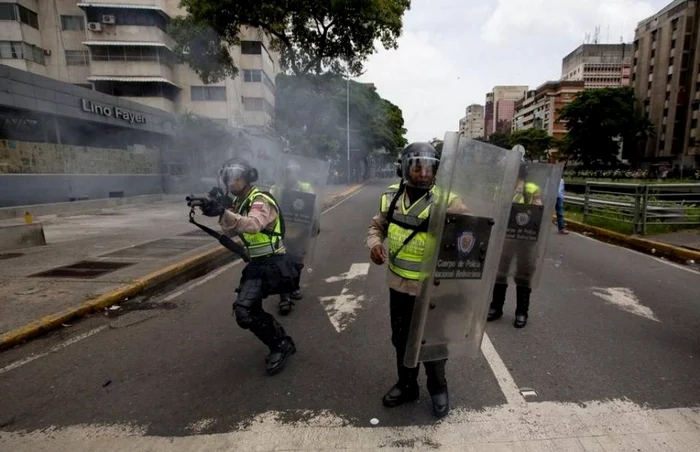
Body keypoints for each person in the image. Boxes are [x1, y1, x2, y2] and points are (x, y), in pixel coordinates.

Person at [366, 142, 468, 419]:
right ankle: (407, 385)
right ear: (404, 168)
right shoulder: (391, 199)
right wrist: (374, 245)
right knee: (401, 339)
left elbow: (467, 240)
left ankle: (438, 387)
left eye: (429, 167)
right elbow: (377, 227)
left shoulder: (449, 200)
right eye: (417, 166)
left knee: (433, 340)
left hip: (434, 288)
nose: (423, 173)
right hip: (398, 284)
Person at [199, 159, 297, 375]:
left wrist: (224, 213)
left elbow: (253, 226)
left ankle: (281, 344)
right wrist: (220, 210)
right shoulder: (240, 203)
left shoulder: (260, 199)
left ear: (248, 178)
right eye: (228, 178)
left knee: (245, 309)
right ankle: (279, 339)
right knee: (245, 312)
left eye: (237, 177)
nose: (232, 181)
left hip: (273, 263)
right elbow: (230, 232)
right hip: (256, 264)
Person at [487, 162, 542, 329]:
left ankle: (522, 311)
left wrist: (534, 204)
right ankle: (496, 307)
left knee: (523, 273)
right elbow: (496, 209)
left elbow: (539, 209)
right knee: (500, 271)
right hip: (505, 237)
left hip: (525, 238)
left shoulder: (531, 188)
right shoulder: (501, 188)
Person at [270, 160, 319, 315]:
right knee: (282, 263)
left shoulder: (305, 188)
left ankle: (294, 286)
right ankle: (284, 297)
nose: (290, 175)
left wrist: (315, 225)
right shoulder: (276, 189)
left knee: (297, 262)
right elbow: (269, 206)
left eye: (293, 172)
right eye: (287, 172)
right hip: (281, 232)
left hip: (301, 231)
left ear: (298, 174)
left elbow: (314, 207)